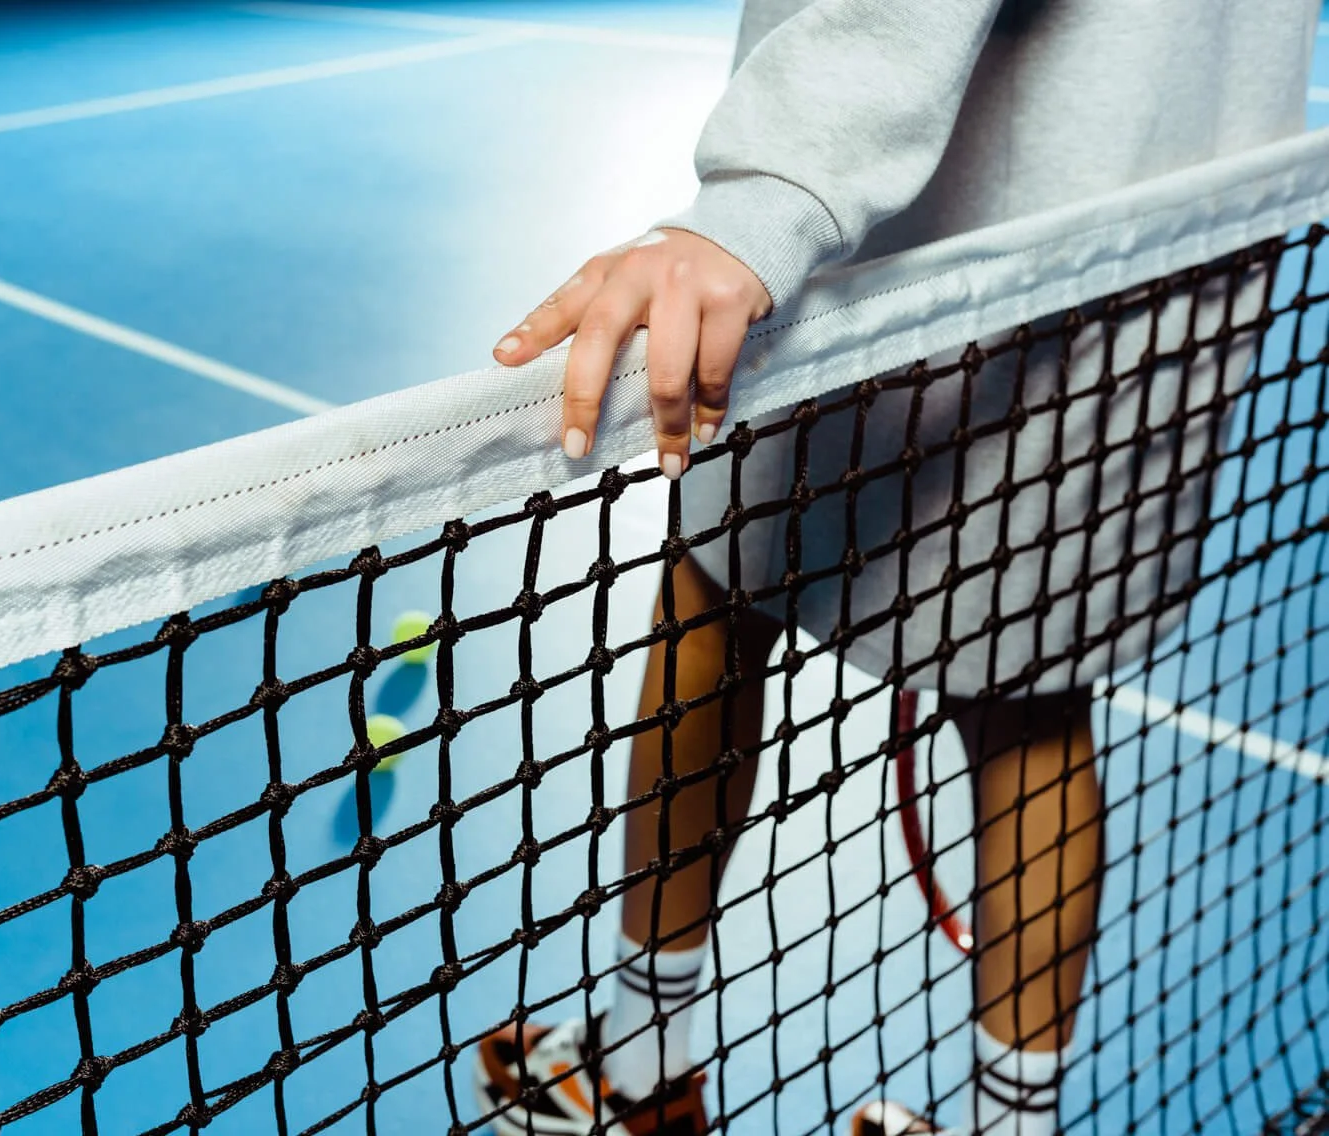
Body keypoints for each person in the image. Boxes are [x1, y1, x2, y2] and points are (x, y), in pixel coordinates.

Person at [471, 1, 1318, 1133]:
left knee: (708, 599)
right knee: (1031, 701)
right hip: (1163, 245)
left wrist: (759, 198)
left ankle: (636, 1066)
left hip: (903, 259)